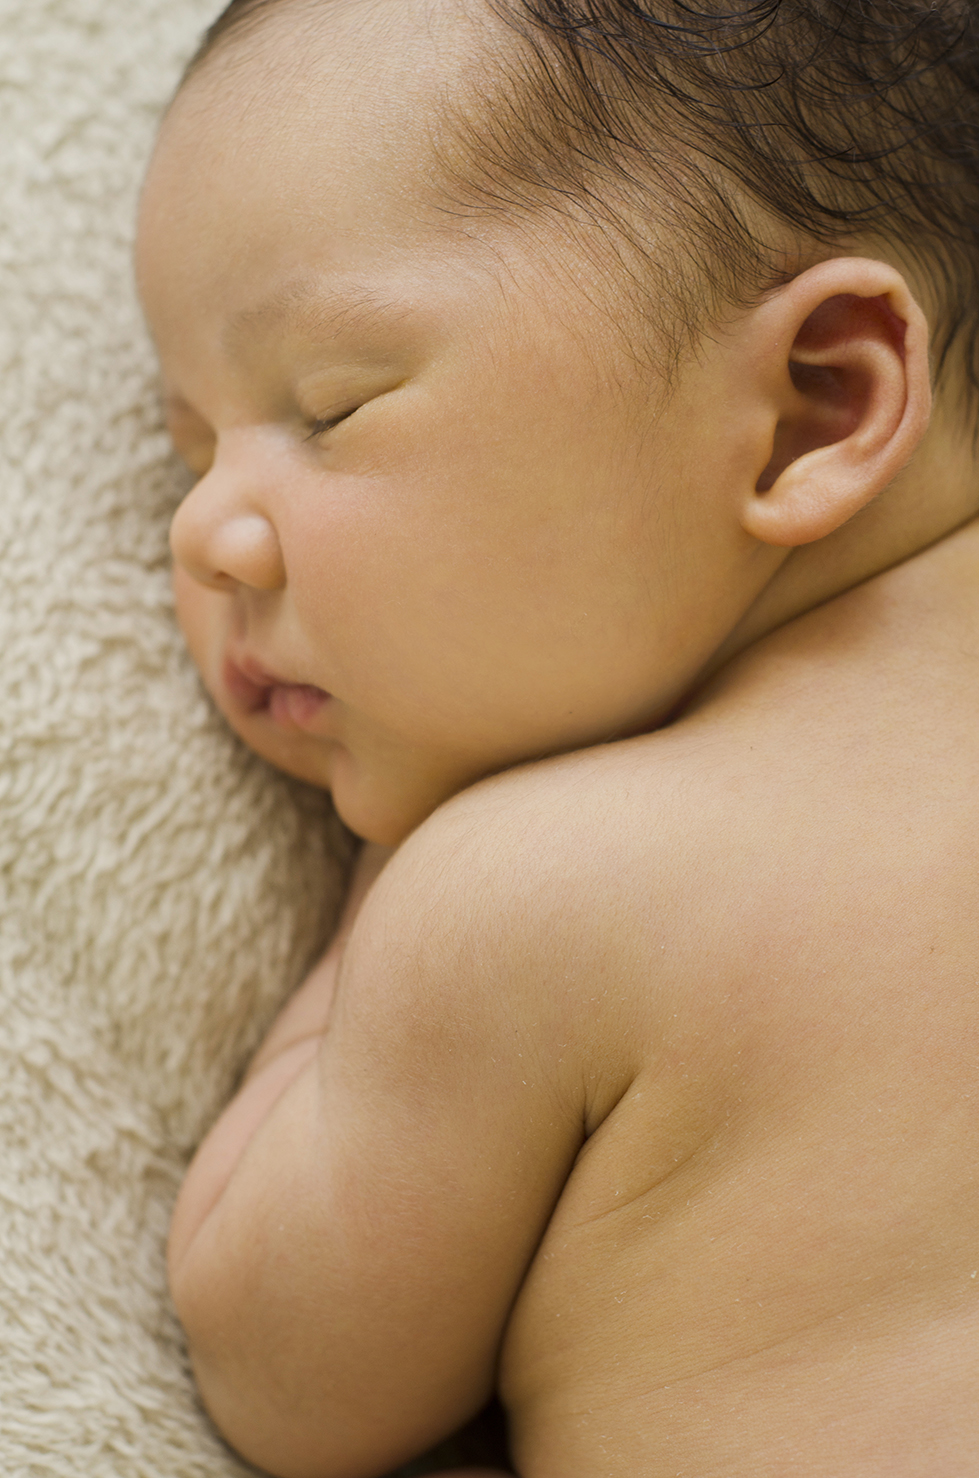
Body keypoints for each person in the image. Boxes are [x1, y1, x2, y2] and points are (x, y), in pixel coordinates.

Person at [135, 0, 979, 1472]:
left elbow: (283, 1372)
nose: (200, 534)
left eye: (331, 409)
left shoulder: (530, 893)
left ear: (813, 406)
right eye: (190, 451)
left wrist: (394, 885)